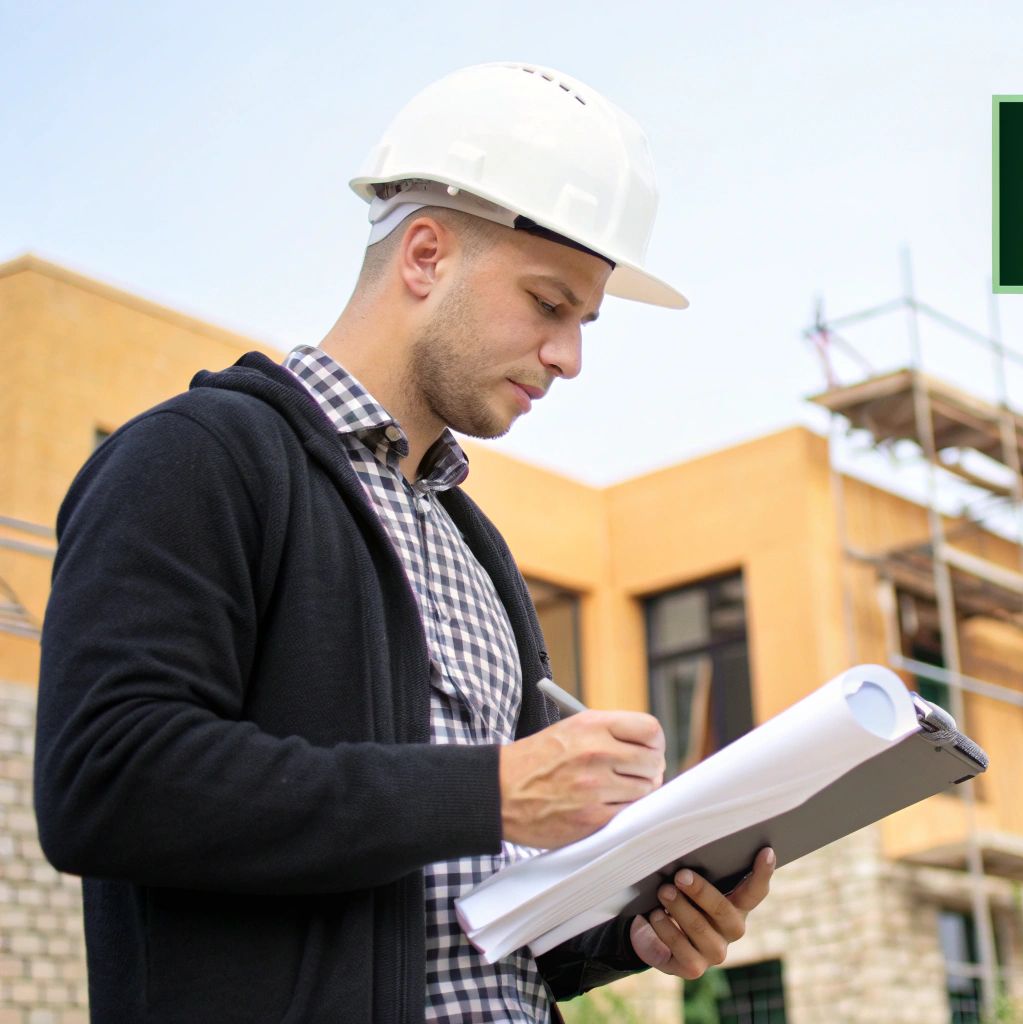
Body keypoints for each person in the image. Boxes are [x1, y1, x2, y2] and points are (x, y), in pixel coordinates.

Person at [32, 62, 770, 1023]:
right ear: (425, 255)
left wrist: (625, 930)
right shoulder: (193, 462)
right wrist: (490, 790)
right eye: (550, 305)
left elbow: (467, 916)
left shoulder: (476, 549)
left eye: (586, 322)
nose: (571, 358)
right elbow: (108, 781)